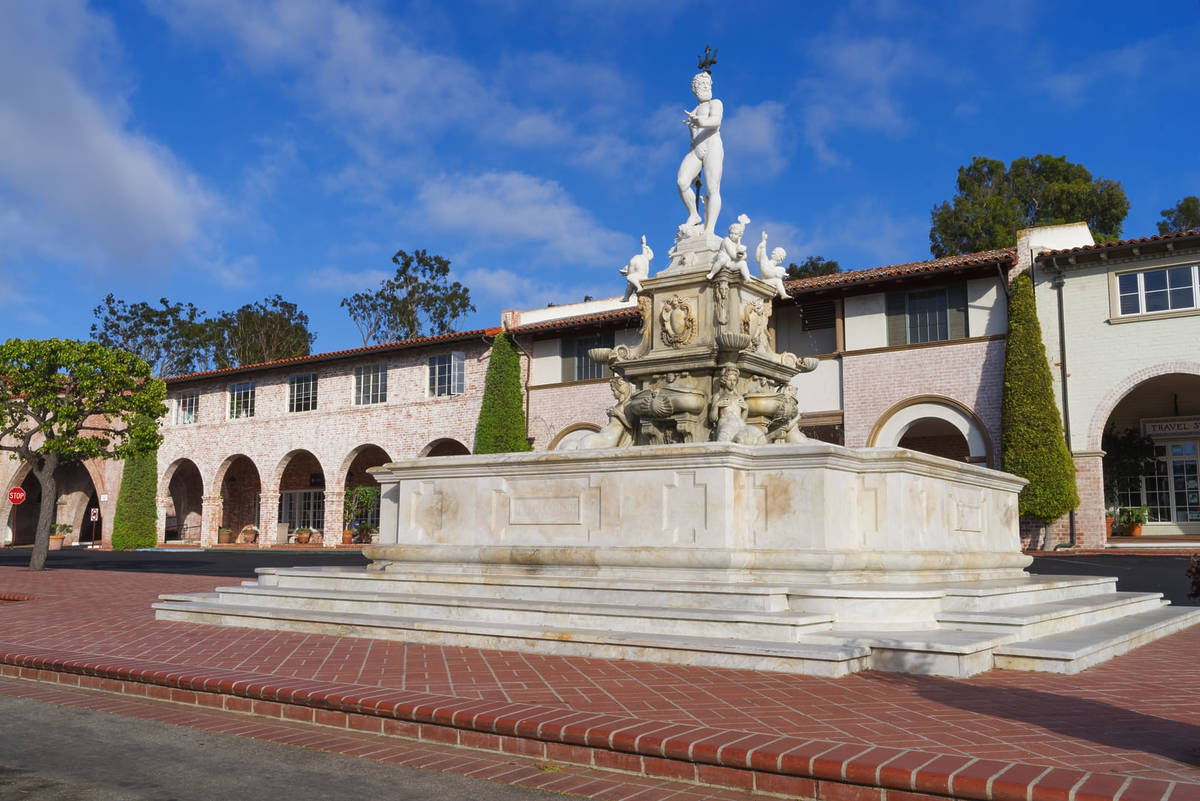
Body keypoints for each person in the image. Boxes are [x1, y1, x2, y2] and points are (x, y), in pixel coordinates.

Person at [678, 71, 724, 237]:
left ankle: (709, 229)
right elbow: (693, 139)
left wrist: (701, 122)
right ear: (694, 90)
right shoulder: (693, 111)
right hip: (696, 150)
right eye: (701, 85)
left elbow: (716, 121)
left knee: (713, 188)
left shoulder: (715, 103)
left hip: (712, 146)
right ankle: (694, 214)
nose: (705, 88)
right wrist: (697, 173)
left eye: (707, 85)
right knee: (682, 182)